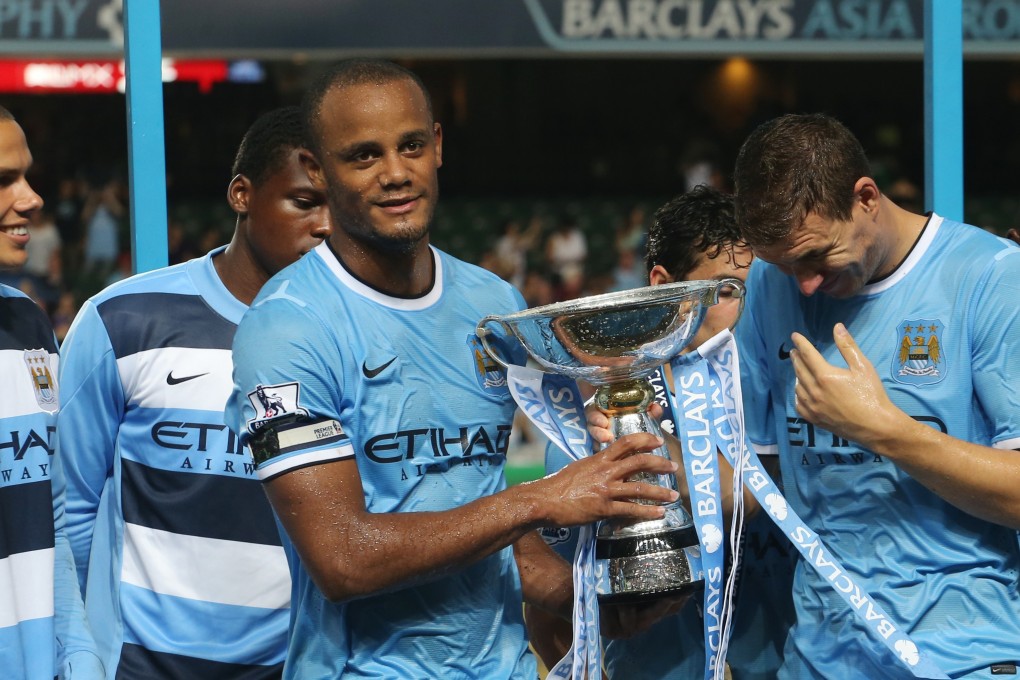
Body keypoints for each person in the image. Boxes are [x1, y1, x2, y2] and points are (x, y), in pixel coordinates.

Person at [225, 58, 681, 679]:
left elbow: (477, 494)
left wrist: (583, 594)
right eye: (363, 156)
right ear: (317, 169)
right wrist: (540, 501)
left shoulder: (494, 306)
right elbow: (342, 560)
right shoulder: (286, 326)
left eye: (411, 145)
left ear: (437, 145)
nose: (395, 173)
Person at [732, 113, 1020, 679]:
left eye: (816, 258)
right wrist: (649, 456)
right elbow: (757, 476)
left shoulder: (991, 278)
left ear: (866, 197)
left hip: (964, 650)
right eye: (784, 265)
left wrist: (883, 430)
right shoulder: (771, 286)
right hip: (820, 654)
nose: (803, 285)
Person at [58, 106, 332, 678]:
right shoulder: (123, 319)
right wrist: (84, 652)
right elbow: (69, 510)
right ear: (242, 194)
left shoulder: (348, 342)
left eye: (340, 209)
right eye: (306, 202)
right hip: (136, 668)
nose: (327, 226)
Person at [526, 185, 796, 680]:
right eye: (727, 290)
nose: (747, 312)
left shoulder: (792, 402)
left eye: (761, 289)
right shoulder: (598, 426)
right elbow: (551, 611)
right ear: (662, 287)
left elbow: (747, 497)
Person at [0, 105, 103, 678]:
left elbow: (51, 515)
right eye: (3, 181)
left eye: (25, 175)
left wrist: (78, 651)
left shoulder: (29, 325)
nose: (31, 198)